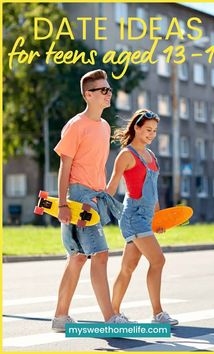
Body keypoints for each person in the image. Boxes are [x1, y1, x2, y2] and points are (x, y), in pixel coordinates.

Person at [52, 69, 132, 332]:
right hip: (78, 196)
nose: (109, 93)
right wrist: (63, 203)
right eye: (103, 90)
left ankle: (60, 317)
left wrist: (105, 194)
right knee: (100, 254)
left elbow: (98, 165)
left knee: (76, 257)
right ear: (89, 94)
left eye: (109, 89)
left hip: (95, 196)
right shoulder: (76, 125)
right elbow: (65, 166)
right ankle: (110, 317)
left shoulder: (104, 126)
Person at [106, 109, 178, 325]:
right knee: (158, 260)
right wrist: (95, 206)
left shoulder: (152, 156)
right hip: (132, 217)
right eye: (148, 129)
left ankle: (113, 313)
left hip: (146, 218)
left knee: (127, 268)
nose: (151, 134)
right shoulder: (126, 155)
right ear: (136, 128)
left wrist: (158, 218)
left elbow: (153, 190)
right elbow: (111, 186)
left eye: (154, 131)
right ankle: (158, 314)